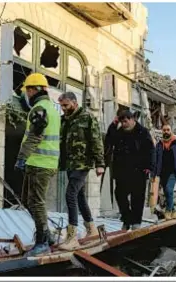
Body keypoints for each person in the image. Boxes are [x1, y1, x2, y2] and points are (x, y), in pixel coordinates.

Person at [15, 73, 60, 256]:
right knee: (28, 201)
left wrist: (21, 158)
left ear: (33, 90)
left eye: (27, 90)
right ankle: (47, 235)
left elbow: (35, 136)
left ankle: (42, 241)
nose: (26, 94)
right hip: (41, 163)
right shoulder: (51, 108)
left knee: (36, 202)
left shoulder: (40, 109)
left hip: (39, 163)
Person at [58, 92, 105, 251]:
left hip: (83, 163)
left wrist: (100, 163)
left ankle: (72, 237)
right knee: (79, 196)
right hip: (70, 164)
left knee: (69, 194)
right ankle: (91, 229)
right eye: (61, 106)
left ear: (74, 102)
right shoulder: (64, 120)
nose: (63, 109)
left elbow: (96, 140)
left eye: (66, 105)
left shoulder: (87, 117)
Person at [105, 110, 155, 230]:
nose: (124, 124)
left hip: (139, 170)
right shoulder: (119, 132)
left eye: (126, 121)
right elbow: (109, 140)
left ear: (132, 119)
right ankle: (127, 219)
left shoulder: (143, 132)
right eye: (122, 122)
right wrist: (113, 124)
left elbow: (150, 150)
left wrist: (149, 167)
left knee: (137, 197)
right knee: (120, 195)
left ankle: (136, 222)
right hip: (122, 170)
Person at [154, 124, 176, 220]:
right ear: (162, 132)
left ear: (171, 131)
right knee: (166, 192)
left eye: (168, 130)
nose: (166, 132)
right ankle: (174, 211)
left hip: (173, 172)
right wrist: (154, 174)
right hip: (162, 173)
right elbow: (155, 160)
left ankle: (168, 211)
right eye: (164, 130)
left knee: (169, 190)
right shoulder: (159, 145)